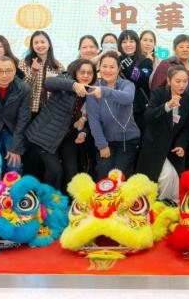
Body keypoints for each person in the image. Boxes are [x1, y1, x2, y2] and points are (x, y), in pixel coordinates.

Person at [25, 59, 96, 191]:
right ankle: (50, 199)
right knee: (55, 172)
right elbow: (48, 82)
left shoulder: (92, 92)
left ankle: (67, 201)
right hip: (44, 135)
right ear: (75, 72)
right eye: (82, 72)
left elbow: (92, 120)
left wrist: (83, 132)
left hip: (67, 137)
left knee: (72, 172)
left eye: (89, 73)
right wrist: (74, 85)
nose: (86, 75)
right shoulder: (65, 79)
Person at [86, 52, 140, 179]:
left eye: (112, 67)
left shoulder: (127, 84)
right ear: (99, 67)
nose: (108, 70)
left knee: (119, 178)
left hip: (128, 141)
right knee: (103, 177)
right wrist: (102, 145)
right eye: (104, 66)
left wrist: (104, 91)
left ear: (118, 68)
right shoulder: (93, 88)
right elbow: (93, 120)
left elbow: (128, 98)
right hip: (106, 141)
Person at [137, 65, 189, 181]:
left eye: (185, 81)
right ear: (169, 80)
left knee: (175, 179)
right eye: (178, 81)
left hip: (173, 149)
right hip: (154, 146)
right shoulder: (158, 94)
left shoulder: (188, 100)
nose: (182, 85)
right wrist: (167, 106)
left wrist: (181, 145)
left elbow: (187, 128)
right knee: (161, 177)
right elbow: (148, 116)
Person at [18, 30, 64, 115]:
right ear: (32, 46)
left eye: (43, 42)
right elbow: (21, 87)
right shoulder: (23, 63)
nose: (39, 45)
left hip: (50, 111)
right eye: (36, 43)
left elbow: (61, 89)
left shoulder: (58, 65)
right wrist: (33, 72)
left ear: (49, 44)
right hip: (29, 109)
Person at [117, 29, 153, 132]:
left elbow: (138, 78)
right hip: (118, 107)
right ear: (119, 45)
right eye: (124, 42)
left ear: (137, 43)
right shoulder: (115, 60)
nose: (128, 45)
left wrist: (123, 58)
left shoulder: (146, 61)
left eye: (131, 41)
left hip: (139, 110)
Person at [150, 34, 189, 100]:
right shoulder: (166, 64)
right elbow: (156, 88)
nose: (185, 49)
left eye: (188, 47)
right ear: (174, 49)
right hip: (170, 105)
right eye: (181, 47)